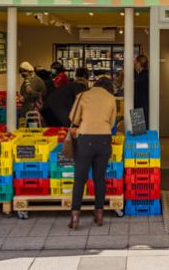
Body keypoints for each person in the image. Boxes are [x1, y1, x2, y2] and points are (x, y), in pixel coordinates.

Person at [68, 76, 117, 229]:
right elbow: (112, 121)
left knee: (80, 179)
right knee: (99, 178)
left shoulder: (83, 95)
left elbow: (73, 118)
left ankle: (75, 218)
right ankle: (99, 216)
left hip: (85, 139)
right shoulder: (111, 98)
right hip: (104, 139)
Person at [133, 55, 150, 128]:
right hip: (140, 104)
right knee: (138, 128)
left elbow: (137, 81)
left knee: (140, 128)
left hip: (142, 105)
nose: (134, 63)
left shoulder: (145, 74)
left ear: (140, 63)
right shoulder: (141, 74)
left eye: (136, 62)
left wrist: (133, 70)